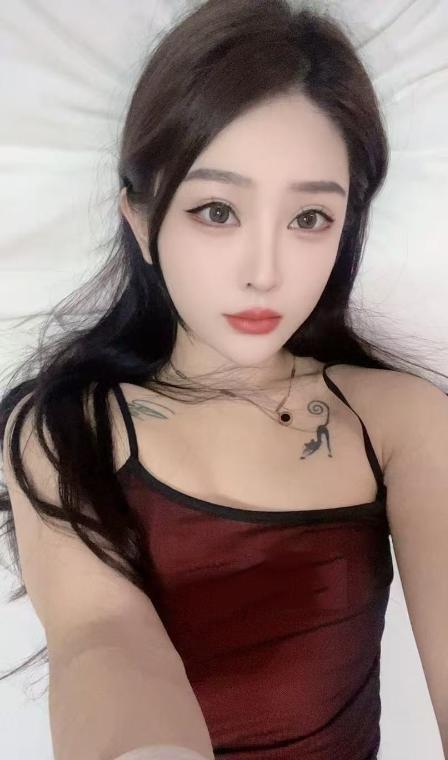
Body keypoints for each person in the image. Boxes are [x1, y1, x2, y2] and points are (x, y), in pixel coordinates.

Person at [1, 1, 447, 758]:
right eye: (216, 210)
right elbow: (101, 640)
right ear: (142, 219)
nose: (264, 272)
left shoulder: (397, 420)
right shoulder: (69, 428)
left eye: (309, 218)